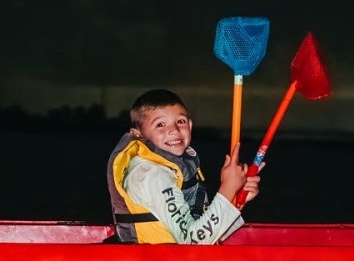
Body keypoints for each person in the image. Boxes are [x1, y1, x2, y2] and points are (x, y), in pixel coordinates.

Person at [106, 88, 261, 244]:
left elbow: (209, 238)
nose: (174, 130)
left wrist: (235, 200)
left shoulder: (170, 167)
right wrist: (228, 188)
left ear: (190, 125)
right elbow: (193, 242)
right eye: (160, 124)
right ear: (138, 134)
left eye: (180, 121)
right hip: (155, 260)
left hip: (170, 258)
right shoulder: (152, 174)